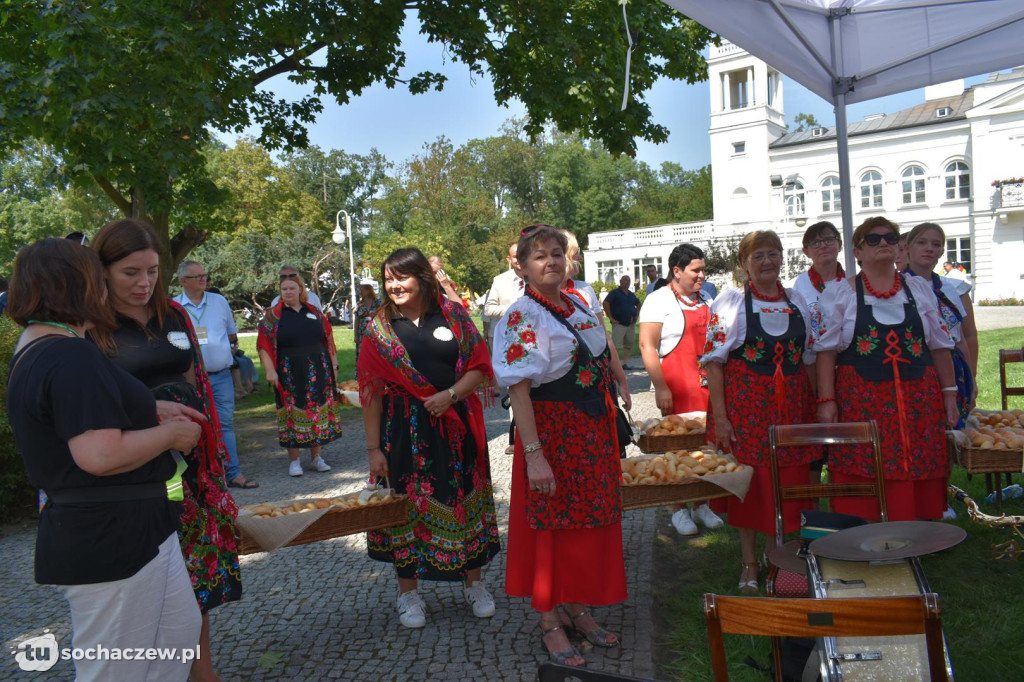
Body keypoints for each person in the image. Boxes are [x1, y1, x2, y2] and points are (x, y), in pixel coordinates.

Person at [6, 238, 202, 682]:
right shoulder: (68, 354)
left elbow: (74, 415)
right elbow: (99, 454)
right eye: (96, 278)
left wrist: (148, 410)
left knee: (175, 636)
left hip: (134, 525)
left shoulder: (42, 345)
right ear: (76, 286)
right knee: (118, 668)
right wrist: (170, 434)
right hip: (111, 533)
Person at [89, 219, 241, 682]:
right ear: (103, 270)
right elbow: (90, 401)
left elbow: (194, 376)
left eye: (152, 271)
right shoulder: (91, 324)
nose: (144, 282)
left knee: (196, 567)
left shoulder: (172, 314)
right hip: (139, 462)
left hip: (194, 459)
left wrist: (209, 444)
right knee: (149, 574)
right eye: (130, 272)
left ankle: (203, 672)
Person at [493, 224, 626, 667]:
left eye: (556, 253)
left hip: (588, 435)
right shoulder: (521, 315)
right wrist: (534, 457)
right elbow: (519, 391)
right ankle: (550, 620)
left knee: (583, 527)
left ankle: (576, 605)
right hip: (551, 435)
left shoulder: (576, 303)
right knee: (551, 530)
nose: (551, 261)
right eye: (540, 256)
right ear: (523, 266)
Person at [358, 247, 500, 629]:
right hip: (402, 432)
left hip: (455, 426)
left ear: (421, 277)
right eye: (388, 279)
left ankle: (474, 585)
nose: (394, 285)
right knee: (405, 508)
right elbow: (370, 392)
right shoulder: (378, 327)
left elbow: (480, 366)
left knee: (465, 500)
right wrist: (373, 449)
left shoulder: (453, 315)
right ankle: (408, 594)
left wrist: (450, 395)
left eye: (401, 277)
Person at [814, 216, 959, 522]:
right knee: (864, 460)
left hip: (917, 399)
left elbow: (940, 346)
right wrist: (827, 402)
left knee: (917, 457)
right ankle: (866, 531)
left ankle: (915, 533)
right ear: (857, 251)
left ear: (899, 248)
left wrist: (949, 394)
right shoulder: (840, 293)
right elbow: (825, 353)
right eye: (874, 239)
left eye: (891, 239)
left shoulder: (919, 289)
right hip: (863, 400)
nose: (883, 243)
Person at [702, 230, 818, 594]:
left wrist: (816, 405)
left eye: (773, 254)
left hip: (792, 407)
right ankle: (750, 561)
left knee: (788, 483)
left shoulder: (798, 300)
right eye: (758, 256)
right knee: (751, 488)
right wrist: (720, 417)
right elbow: (715, 364)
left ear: (783, 258)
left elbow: (810, 356)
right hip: (746, 406)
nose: (767, 262)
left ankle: (781, 556)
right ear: (744, 264)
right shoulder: (730, 303)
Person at [638, 243, 725, 536]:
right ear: (676, 271)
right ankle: (678, 508)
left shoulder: (707, 299)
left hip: (706, 383)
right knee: (676, 448)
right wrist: (660, 386)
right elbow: (647, 346)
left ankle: (702, 504)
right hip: (677, 384)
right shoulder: (658, 300)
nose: (702, 276)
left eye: (703, 270)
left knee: (707, 445)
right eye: (695, 270)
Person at [174, 260, 257, 489]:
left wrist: (221, 353)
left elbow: (231, 334)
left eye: (204, 275)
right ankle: (203, 477)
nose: (203, 280)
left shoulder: (219, 301)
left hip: (220, 376)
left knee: (225, 424)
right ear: (183, 281)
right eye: (197, 276)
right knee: (194, 424)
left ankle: (233, 473)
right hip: (189, 379)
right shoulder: (175, 307)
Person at [257, 269, 343, 476]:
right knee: (291, 412)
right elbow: (263, 345)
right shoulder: (273, 316)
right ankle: (294, 461)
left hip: (319, 368)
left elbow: (328, 340)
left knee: (317, 411)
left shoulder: (314, 312)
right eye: (284, 289)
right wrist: (270, 371)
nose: (287, 292)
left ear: (300, 290)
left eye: (291, 288)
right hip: (289, 371)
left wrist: (334, 367)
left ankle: (316, 457)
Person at [903, 222, 978, 427]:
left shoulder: (948, 288)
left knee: (955, 431)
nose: (929, 248)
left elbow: (960, 337)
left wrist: (971, 376)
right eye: (922, 242)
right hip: (922, 370)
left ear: (942, 252)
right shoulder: (900, 287)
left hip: (955, 369)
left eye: (936, 245)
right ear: (908, 248)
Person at [789, 221, 845, 316]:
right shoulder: (801, 283)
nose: (823, 246)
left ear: (839, 244)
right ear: (806, 251)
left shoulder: (850, 281)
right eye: (816, 243)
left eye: (828, 240)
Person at [482, 242, 525, 349]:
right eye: (515, 257)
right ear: (509, 259)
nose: (519, 259)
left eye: (522, 255)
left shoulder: (536, 279)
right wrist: (514, 308)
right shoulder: (499, 281)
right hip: (502, 337)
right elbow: (488, 310)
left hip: (529, 337)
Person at [603, 275, 641, 370]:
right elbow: (605, 303)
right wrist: (610, 317)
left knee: (628, 345)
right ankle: (614, 365)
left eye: (628, 280)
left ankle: (625, 363)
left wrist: (636, 315)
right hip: (619, 323)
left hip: (630, 324)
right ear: (620, 281)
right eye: (625, 280)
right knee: (615, 346)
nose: (627, 282)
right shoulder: (614, 293)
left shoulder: (631, 294)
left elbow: (639, 304)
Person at [354, 281, 382, 374]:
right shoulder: (360, 305)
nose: (361, 292)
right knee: (362, 354)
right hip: (362, 334)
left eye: (362, 290)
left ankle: (375, 372)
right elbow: (357, 320)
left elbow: (383, 316)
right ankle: (361, 374)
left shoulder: (378, 302)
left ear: (368, 291)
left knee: (374, 354)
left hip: (375, 333)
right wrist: (356, 335)